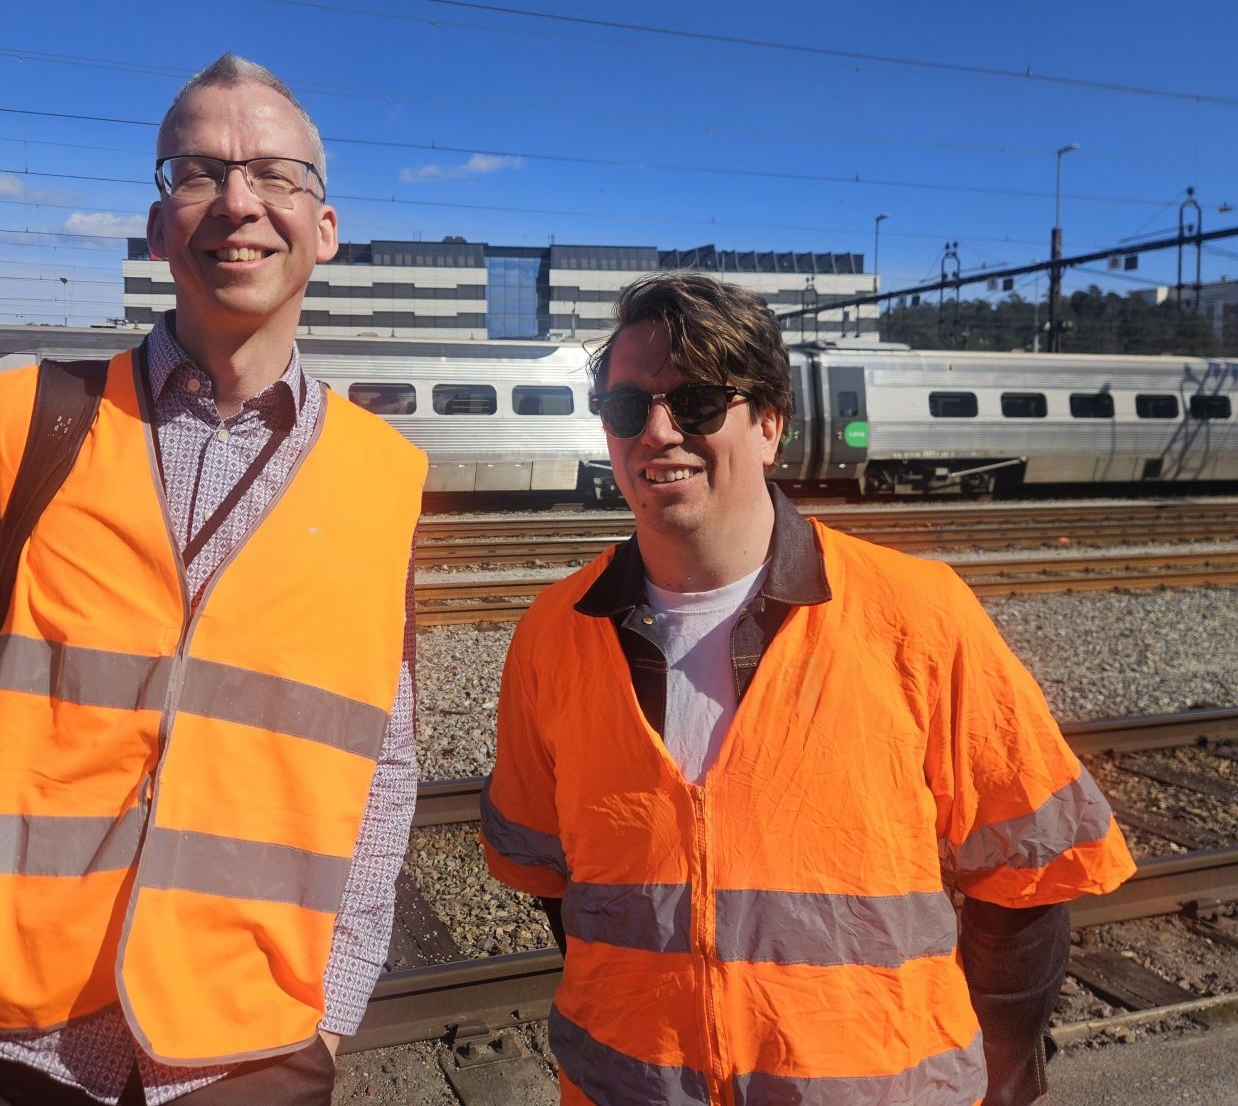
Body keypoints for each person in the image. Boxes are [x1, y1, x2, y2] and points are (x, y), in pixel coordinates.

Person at [0, 53, 426, 1106]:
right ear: (160, 228)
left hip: (242, 1042)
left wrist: (333, 1004)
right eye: (197, 172)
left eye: (275, 174)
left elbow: (381, 760)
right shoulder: (25, 422)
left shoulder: (387, 476)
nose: (239, 201)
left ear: (324, 228)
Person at [481, 272, 1135, 1106]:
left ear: (768, 425)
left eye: (696, 403)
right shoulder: (553, 630)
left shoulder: (915, 613)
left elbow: (1028, 879)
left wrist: (1003, 1083)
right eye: (624, 409)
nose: (655, 432)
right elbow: (550, 881)